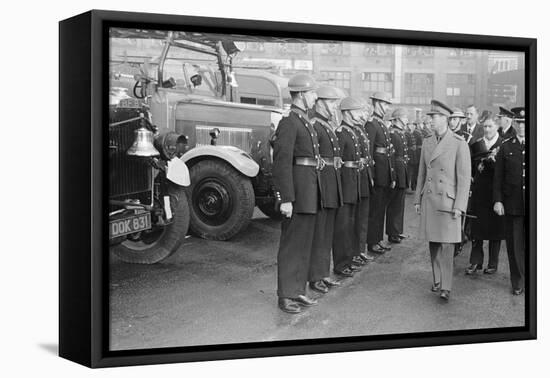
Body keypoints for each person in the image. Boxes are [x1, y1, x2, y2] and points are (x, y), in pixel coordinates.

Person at [272, 73, 321, 314]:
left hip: (309, 192)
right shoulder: (289, 122)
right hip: (298, 194)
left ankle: (297, 289)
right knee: (292, 245)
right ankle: (286, 295)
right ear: (301, 94)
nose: (315, 97)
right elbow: (281, 163)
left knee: (303, 244)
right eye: (312, 93)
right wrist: (286, 198)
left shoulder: (304, 121)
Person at [414, 99, 471, 301]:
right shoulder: (427, 141)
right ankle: (437, 279)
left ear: (445, 119)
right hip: (430, 199)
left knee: (448, 246)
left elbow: (464, 180)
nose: (431, 120)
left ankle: (446, 286)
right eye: (430, 117)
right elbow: (421, 173)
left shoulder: (458, 143)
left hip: (448, 203)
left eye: (434, 117)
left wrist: (459, 206)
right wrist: (417, 200)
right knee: (434, 243)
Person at [307, 86, 344, 294]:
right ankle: (315, 277)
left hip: (331, 184)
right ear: (319, 102)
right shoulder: (314, 123)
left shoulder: (327, 124)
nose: (334, 107)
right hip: (322, 185)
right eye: (330, 102)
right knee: (319, 234)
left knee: (327, 232)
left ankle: (323, 273)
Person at [465, 115, 506, 275]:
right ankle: (476, 262)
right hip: (479, 193)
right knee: (477, 228)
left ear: (497, 127)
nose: (487, 129)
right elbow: (472, 168)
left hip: (496, 194)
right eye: (485, 127)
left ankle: (493, 263)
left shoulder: (503, 144)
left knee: (496, 229)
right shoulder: (477, 145)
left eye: (490, 126)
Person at [493, 107, 526, 295]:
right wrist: (498, 200)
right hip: (512, 203)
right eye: (519, 123)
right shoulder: (506, 146)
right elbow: (498, 177)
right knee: (514, 245)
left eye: (525, 123)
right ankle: (518, 281)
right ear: (514, 123)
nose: (522, 127)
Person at [333, 96, 364, 277]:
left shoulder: (352, 131)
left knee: (350, 224)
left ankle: (348, 259)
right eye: (357, 111)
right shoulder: (341, 133)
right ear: (347, 112)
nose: (360, 115)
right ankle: (340, 264)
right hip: (345, 184)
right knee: (342, 227)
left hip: (353, 182)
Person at [365, 92, 395, 254]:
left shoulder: (381, 124)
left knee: (380, 208)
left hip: (384, 172)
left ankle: (377, 239)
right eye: (384, 104)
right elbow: (369, 152)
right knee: (375, 210)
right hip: (377, 173)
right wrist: (371, 175)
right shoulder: (371, 124)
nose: (386, 107)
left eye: (388, 104)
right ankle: (372, 241)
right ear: (376, 103)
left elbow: (387, 151)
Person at [349, 98, 375, 265]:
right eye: (362, 111)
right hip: (356, 177)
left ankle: (360, 250)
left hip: (364, 176)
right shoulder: (353, 130)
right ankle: (354, 252)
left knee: (363, 217)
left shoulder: (361, 130)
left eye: (366, 112)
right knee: (355, 219)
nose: (364, 115)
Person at [386, 108, 410, 243]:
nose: (407, 119)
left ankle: (397, 230)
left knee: (399, 203)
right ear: (398, 119)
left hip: (402, 169)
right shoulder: (393, 134)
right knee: (394, 204)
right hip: (397, 169)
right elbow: (393, 156)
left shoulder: (400, 133)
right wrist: (393, 175)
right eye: (405, 117)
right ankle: (392, 232)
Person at [405, 122, 418, 193]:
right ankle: (407, 187)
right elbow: (405, 146)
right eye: (410, 125)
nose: (411, 126)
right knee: (409, 172)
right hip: (409, 154)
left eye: (412, 125)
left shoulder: (410, 133)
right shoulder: (406, 133)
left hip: (413, 154)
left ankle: (409, 187)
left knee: (412, 171)